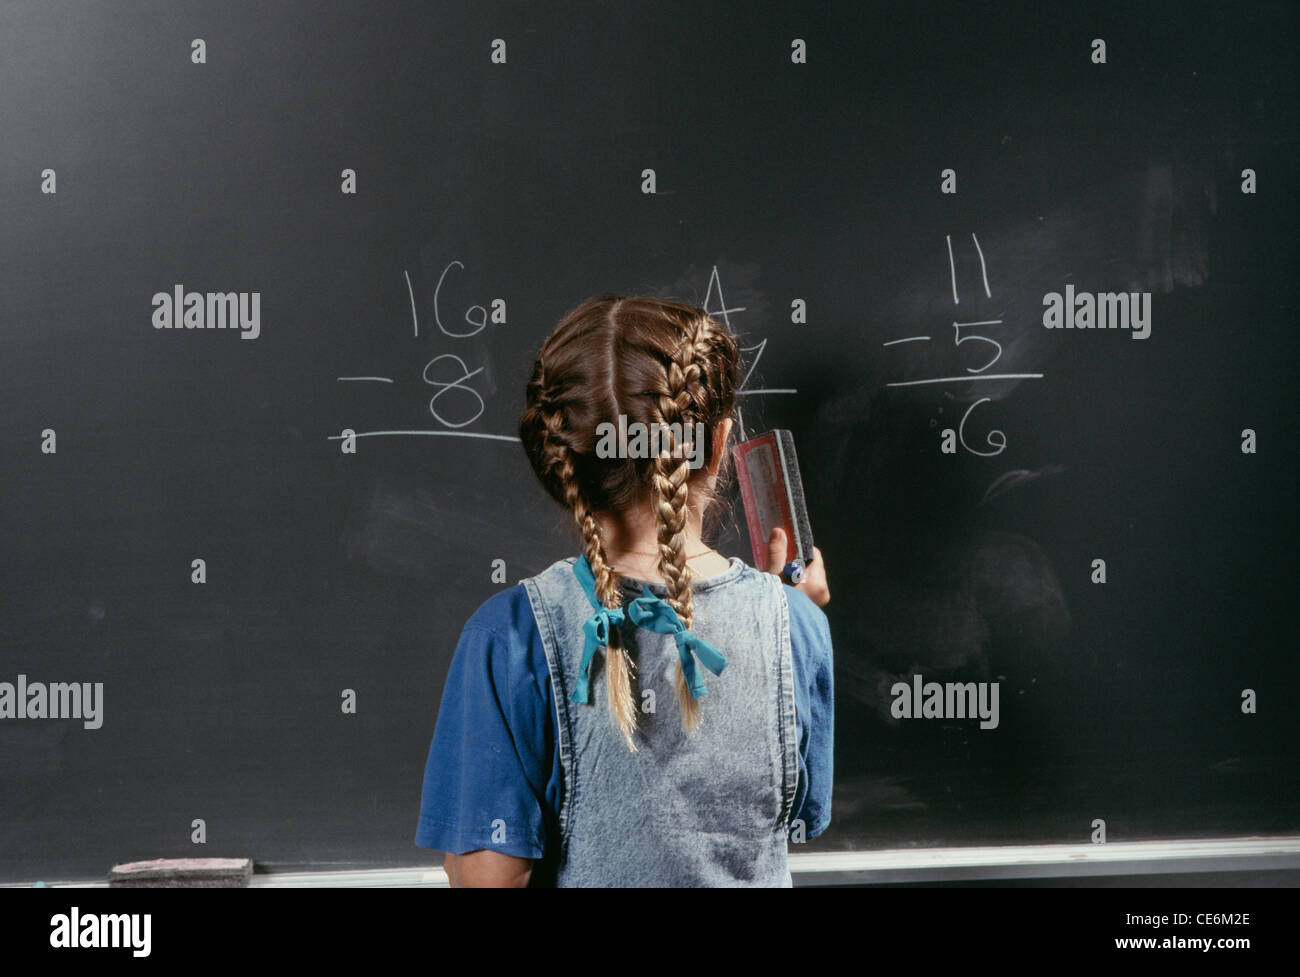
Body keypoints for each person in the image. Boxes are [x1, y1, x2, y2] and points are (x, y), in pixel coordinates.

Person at [415, 294, 833, 887]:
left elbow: (491, 877)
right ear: (717, 446)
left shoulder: (509, 634)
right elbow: (787, 817)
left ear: (557, 459)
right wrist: (784, 616)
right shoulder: (796, 623)